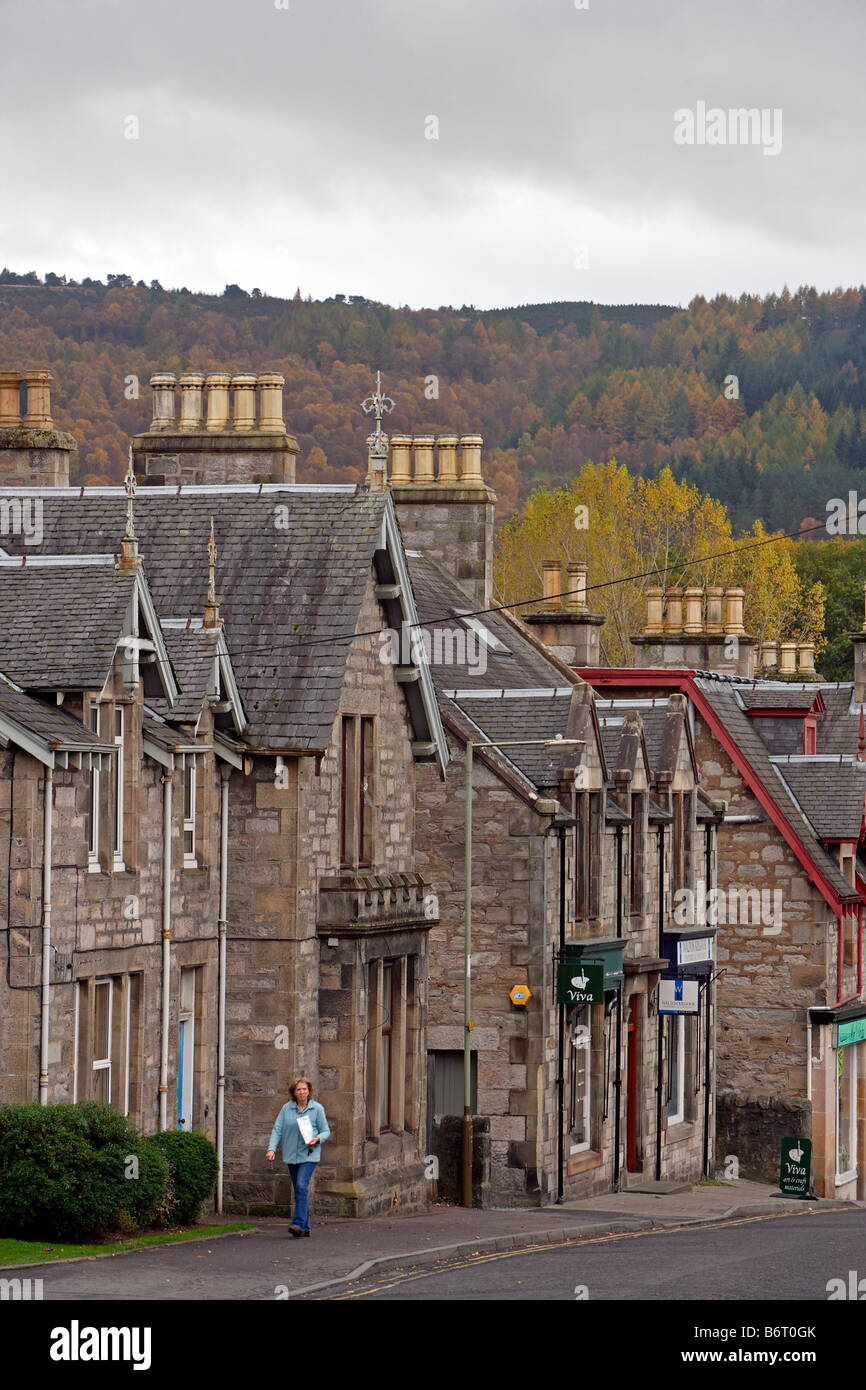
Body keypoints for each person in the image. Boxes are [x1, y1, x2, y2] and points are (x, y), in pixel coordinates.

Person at [267, 1077, 330, 1237]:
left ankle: (297, 1223)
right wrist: (271, 1149)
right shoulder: (287, 1109)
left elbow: (325, 1131)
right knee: (299, 1190)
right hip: (291, 1156)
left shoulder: (317, 1109)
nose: (302, 1092)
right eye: (298, 1090)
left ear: (309, 1091)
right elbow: (277, 1129)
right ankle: (306, 1228)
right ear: (294, 1093)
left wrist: (318, 1139)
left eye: (304, 1089)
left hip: (309, 1154)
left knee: (301, 1186)